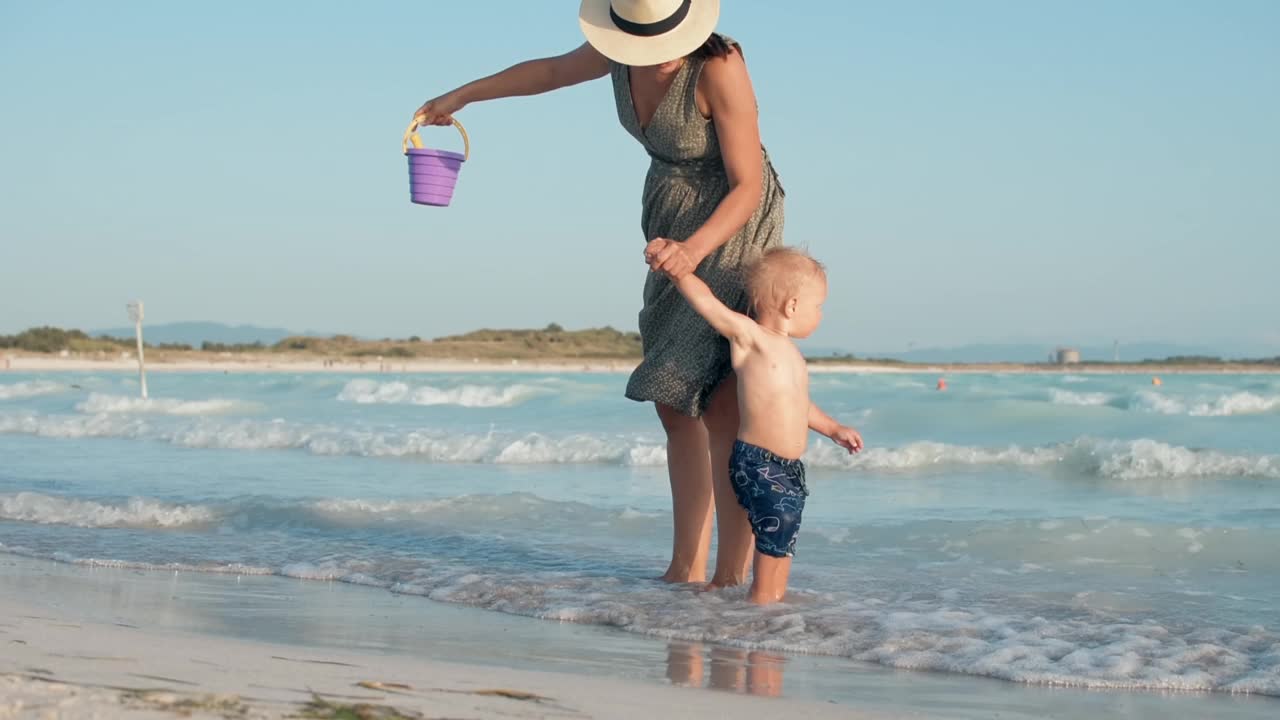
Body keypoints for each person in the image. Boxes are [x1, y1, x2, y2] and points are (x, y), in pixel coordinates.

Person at [413, 1, 834, 587]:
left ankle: (729, 576)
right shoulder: (618, 49)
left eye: (663, 44)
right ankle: (684, 565)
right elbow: (550, 72)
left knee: (720, 399)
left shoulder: (721, 65)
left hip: (733, 224)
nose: (655, 58)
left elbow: (748, 185)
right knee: (671, 397)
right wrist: (463, 96)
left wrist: (693, 249)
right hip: (669, 221)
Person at [646, 242, 863, 603]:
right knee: (774, 530)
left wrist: (833, 429)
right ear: (792, 305)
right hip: (759, 463)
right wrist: (678, 271)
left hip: (788, 468)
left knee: (783, 534)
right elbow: (708, 304)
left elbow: (799, 405)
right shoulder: (753, 339)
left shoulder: (791, 355)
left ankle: (771, 597)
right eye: (819, 307)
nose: (821, 315)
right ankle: (761, 602)